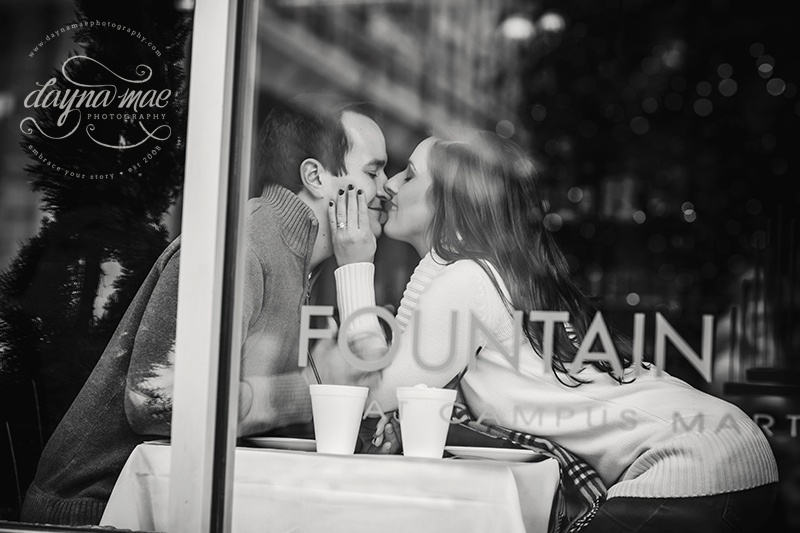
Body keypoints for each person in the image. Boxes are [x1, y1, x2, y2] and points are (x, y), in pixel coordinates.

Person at [328, 130, 779, 532]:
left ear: (451, 198)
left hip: (696, 462)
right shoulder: (493, 273)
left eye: (408, 175)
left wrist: (353, 267)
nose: (389, 185)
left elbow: (370, 399)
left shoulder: (469, 278)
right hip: (724, 453)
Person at [20, 94, 390, 526]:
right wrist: (313, 385)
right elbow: (158, 401)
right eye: (374, 171)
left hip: (185, 504)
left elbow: (256, 410)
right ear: (315, 176)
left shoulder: (297, 260)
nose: (385, 189)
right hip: (97, 513)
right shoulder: (239, 249)